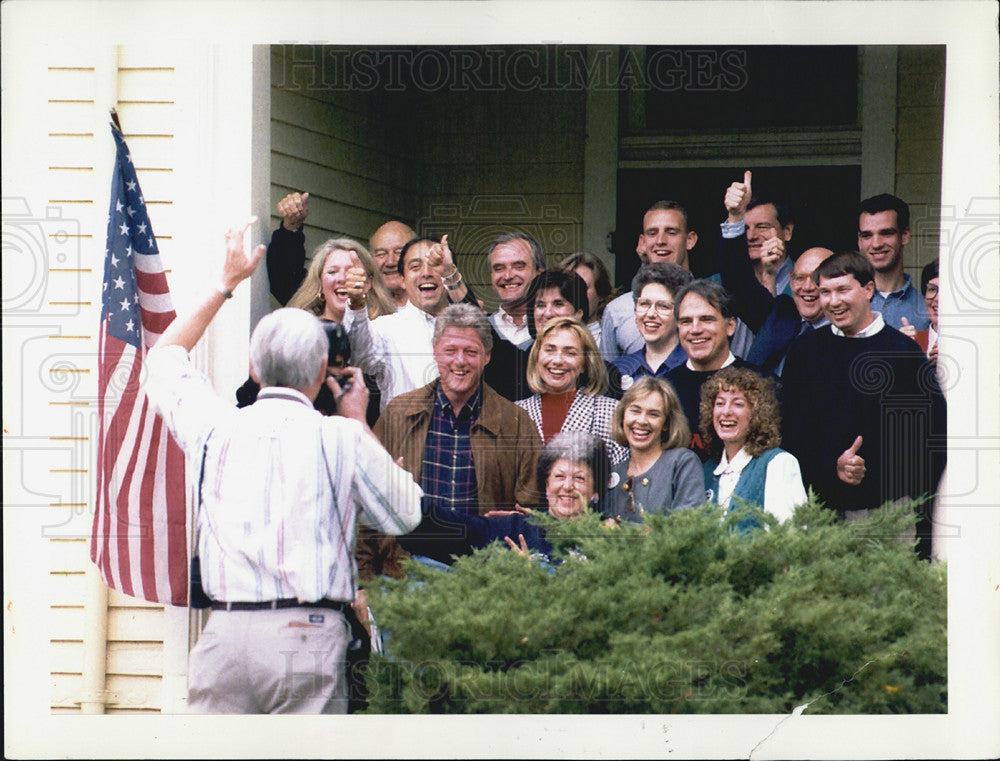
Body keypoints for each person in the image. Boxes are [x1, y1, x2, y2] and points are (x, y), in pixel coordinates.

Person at [146, 218, 421, 713]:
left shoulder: (215, 428)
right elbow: (407, 515)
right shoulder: (340, 437)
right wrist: (358, 421)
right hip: (306, 631)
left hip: (224, 635)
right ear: (322, 371)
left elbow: (164, 355)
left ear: (254, 368)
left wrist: (225, 284)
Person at [780, 251, 947, 559]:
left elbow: (931, 442)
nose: (833, 301)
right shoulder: (804, 353)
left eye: (843, 290)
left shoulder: (904, 354)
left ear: (868, 290)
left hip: (887, 517)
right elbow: (790, 433)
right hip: (819, 514)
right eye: (825, 292)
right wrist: (833, 466)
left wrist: (870, 472)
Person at [358, 303, 543, 574]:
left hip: (484, 576)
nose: (459, 361)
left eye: (471, 352)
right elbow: (367, 501)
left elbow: (532, 511)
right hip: (405, 572)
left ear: (487, 356)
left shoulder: (516, 423)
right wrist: (364, 580)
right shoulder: (398, 414)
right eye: (450, 350)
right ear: (435, 352)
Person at [416, 432, 611, 563]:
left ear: (596, 491)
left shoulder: (611, 536)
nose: (567, 486)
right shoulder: (512, 528)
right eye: (559, 476)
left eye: (579, 478)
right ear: (546, 485)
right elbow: (453, 529)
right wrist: (399, 496)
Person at [600, 200, 754, 362]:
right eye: (652, 233)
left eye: (671, 232)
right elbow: (608, 380)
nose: (660, 240)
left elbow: (741, 370)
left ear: (690, 240)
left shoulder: (721, 303)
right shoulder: (618, 311)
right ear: (643, 242)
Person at [347, 235, 470, 409]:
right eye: (415, 266)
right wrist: (357, 304)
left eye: (435, 265)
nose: (426, 273)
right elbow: (360, 357)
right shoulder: (386, 328)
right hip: (403, 434)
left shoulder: (469, 326)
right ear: (402, 280)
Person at [263, 189, 414, 310]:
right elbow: (286, 281)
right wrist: (291, 228)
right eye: (381, 253)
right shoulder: (345, 301)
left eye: (399, 253)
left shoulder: (432, 303)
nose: (390, 261)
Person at [699, 366, 807, 525]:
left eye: (738, 404)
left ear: (757, 414)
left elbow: (789, 539)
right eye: (720, 403)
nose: (726, 411)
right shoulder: (707, 471)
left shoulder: (777, 463)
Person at [666, 279, 761, 458]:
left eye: (706, 319)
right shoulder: (664, 389)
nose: (695, 329)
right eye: (686, 321)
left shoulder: (762, 386)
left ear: (730, 326)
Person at [516, 316, 628, 464]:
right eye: (549, 350)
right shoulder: (515, 413)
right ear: (537, 357)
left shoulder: (612, 413)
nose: (557, 360)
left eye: (570, 353)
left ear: (584, 364)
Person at [603, 376, 705, 523]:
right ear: (623, 415)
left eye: (653, 414)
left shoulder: (682, 462)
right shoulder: (615, 471)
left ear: (666, 423)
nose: (642, 421)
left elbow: (686, 530)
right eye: (635, 411)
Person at [857, 193, 930, 330]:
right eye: (867, 235)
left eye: (886, 233)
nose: (876, 244)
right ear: (859, 241)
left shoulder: (927, 308)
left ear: (905, 236)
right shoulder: (847, 304)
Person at [612, 262, 692, 385]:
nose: (650, 314)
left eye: (663, 306)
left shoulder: (695, 365)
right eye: (644, 304)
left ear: (681, 314)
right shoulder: (618, 370)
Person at [487, 232, 546, 347]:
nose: (508, 276)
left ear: (539, 273)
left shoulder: (556, 328)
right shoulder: (479, 329)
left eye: (519, 267)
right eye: (499, 268)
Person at [558, 251, 616, 345]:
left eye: (583, 288)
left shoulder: (612, 342)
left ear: (600, 294)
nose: (576, 294)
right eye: (570, 287)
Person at [901, 258, 940, 365]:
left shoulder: (976, 343)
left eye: (945, 289)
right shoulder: (913, 343)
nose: (937, 298)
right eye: (932, 289)